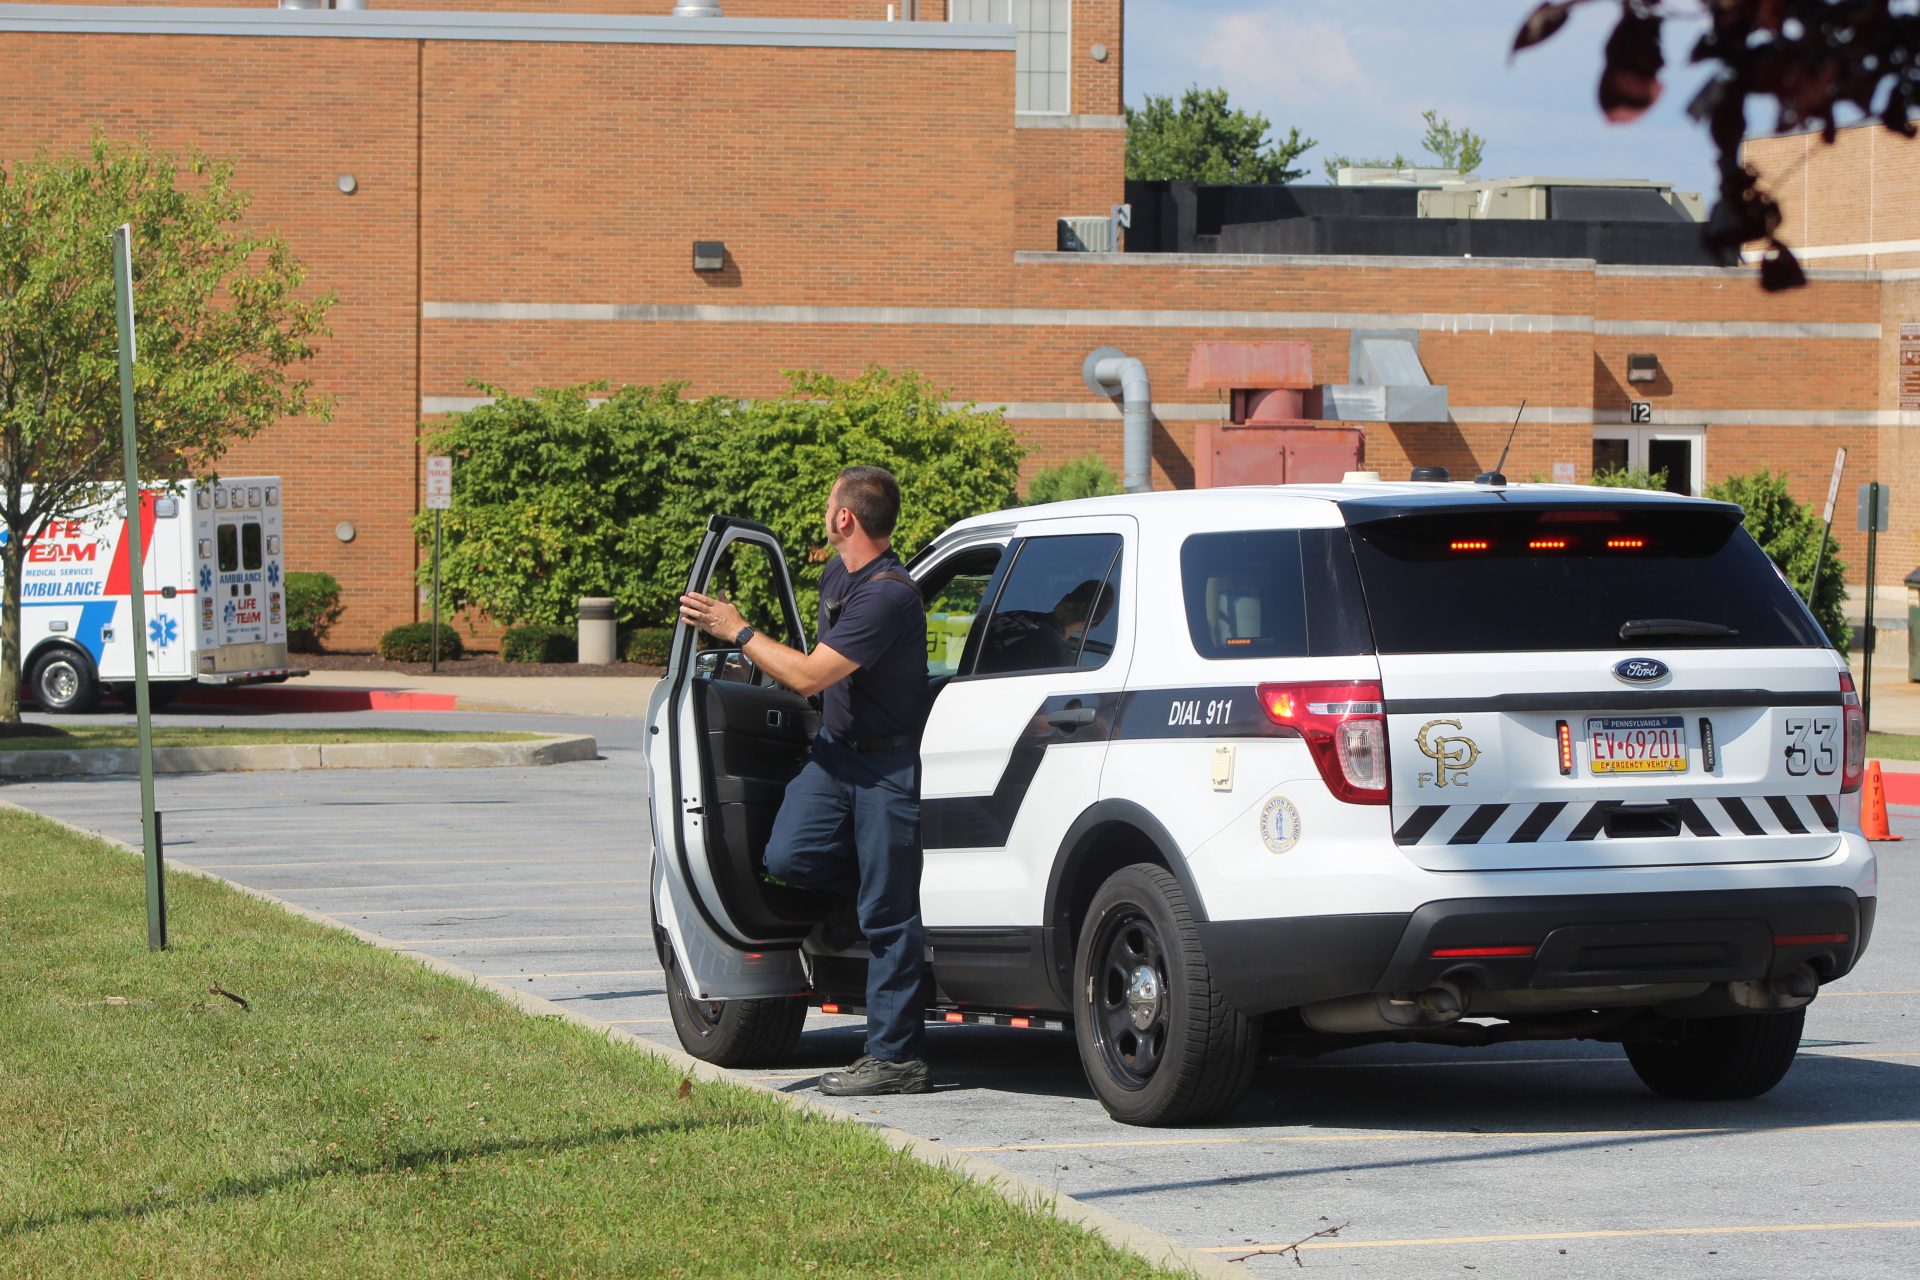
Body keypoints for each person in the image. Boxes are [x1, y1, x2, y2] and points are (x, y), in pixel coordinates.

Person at [678, 465, 931, 1096]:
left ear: (845, 517)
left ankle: (895, 1058)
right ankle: (856, 901)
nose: (825, 512)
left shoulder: (888, 595)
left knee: (890, 914)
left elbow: (811, 675)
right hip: (836, 755)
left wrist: (736, 630)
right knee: (788, 855)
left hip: (884, 769)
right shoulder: (837, 574)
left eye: (828, 505)